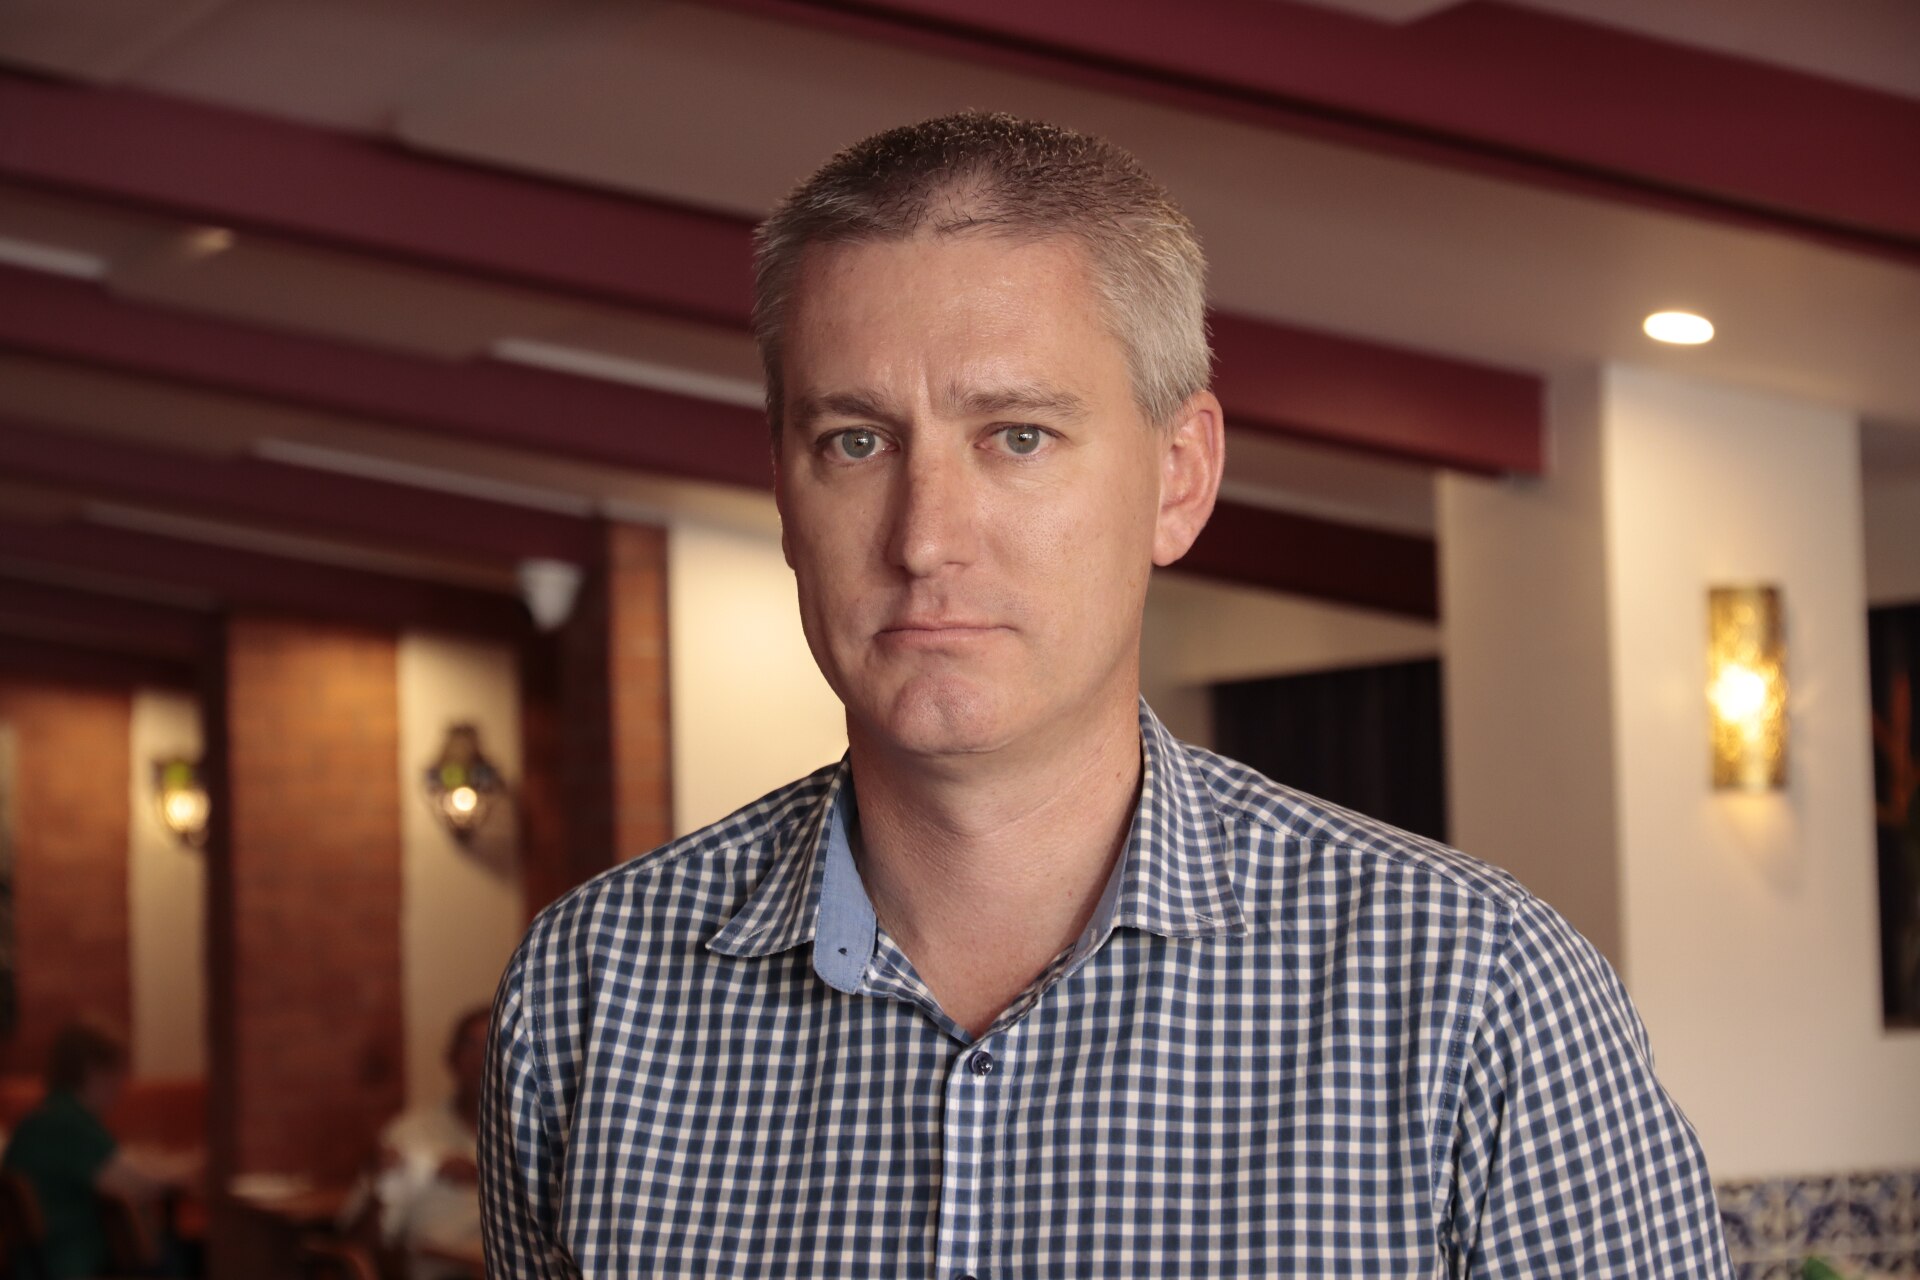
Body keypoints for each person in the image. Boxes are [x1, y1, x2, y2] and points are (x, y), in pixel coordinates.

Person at [480, 112, 1732, 1276]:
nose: (925, 536)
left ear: (1179, 476)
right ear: (784, 490)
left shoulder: (1475, 993)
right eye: (856, 440)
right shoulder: (589, 993)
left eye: (1017, 435)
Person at [2, 1021, 195, 1280]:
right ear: (93, 1071)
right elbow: (134, 1182)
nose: (123, 1084)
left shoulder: (39, 1120)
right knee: (188, 1256)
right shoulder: (69, 1124)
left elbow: (114, 1165)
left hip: (34, 1264)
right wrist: (190, 1171)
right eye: (118, 1072)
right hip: (71, 1263)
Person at [344, 1008, 488, 1280]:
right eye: (472, 1045)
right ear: (451, 1057)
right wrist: (380, 1186)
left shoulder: (534, 1137)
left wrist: (483, 1179)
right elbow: (358, 1244)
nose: (482, 1058)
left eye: (493, 1044)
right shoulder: (408, 1136)